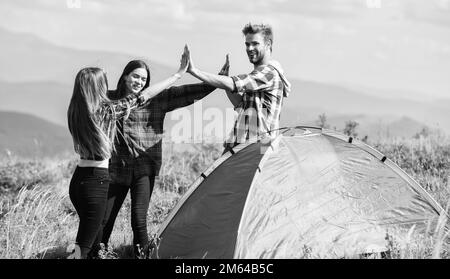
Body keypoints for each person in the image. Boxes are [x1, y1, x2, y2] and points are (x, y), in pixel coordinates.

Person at [94, 55, 230, 258]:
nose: (139, 82)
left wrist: (218, 79)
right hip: (118, 168)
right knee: (105, 219)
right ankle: (97, 254)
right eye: (135, 76)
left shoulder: (157, 98)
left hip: (144, 168)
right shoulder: (112, 100)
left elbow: (190, 92)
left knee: (138, 220)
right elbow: (91, 100)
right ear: (124, 77)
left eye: (143, 79)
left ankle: (143, 256)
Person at [66, 46, 190, 259]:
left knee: (84, 241)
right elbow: (143, 96)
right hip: (96, 182)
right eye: (103, 83)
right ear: (97, 88)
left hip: (78, 181)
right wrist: (177, 75)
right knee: (85, 248)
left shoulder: (75, 110)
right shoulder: (108, 111)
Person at [186, 23, 291, 151]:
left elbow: (235, 83)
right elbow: (241, 104)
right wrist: (226, 82)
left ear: (268, 44)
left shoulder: (269, 73)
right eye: (247, 44)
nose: (250, 48)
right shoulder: (258, 76)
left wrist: (195, 71)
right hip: (241, 146)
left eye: (255, 43)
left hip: (257, 150)